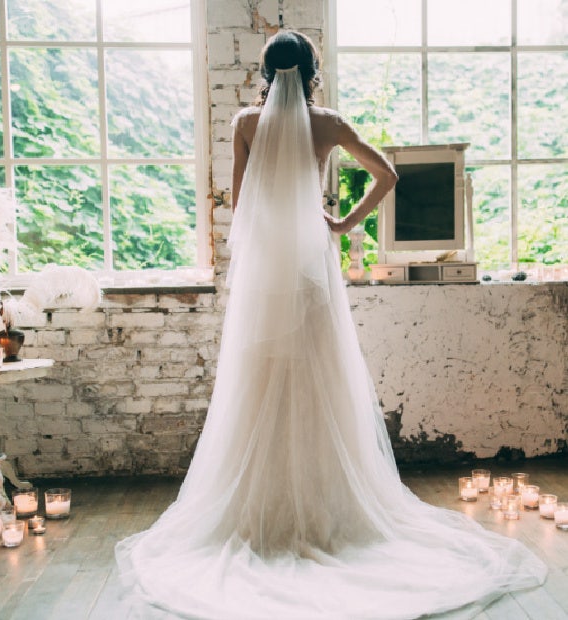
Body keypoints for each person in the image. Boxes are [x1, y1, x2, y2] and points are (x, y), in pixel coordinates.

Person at [115, 30, 546, 619]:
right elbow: (388, 173)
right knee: (320, 380)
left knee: (262, 381)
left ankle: (262, 511)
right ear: (313, 70)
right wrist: (342, 223)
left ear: (266, 72)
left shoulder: (246, 122)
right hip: (311, 267)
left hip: (269, 268)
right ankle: (328, 508)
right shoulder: (331, 124)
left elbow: (241, 211)